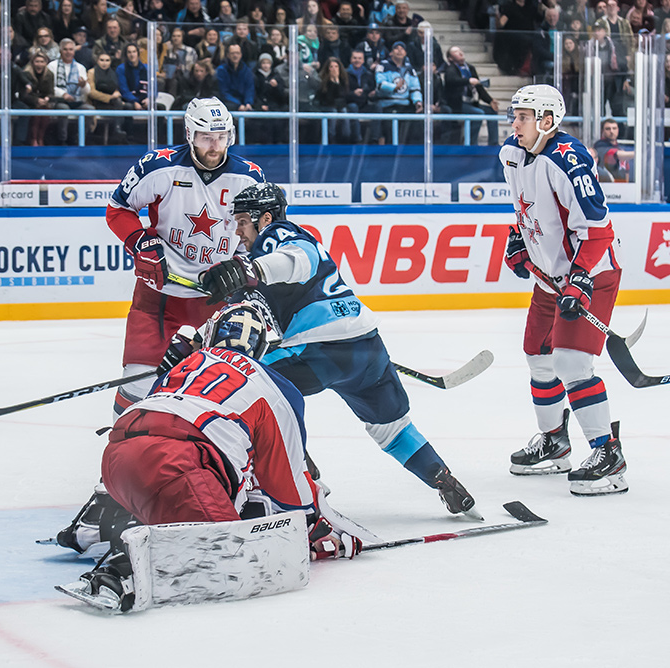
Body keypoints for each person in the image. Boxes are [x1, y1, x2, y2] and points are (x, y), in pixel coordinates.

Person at [199, 182, 480, 517]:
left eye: (243, 221)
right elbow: (240, 310)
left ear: (266, 218)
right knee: (391, 428)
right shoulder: (254, 264)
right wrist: (199, 334)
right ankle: (443, 480)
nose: (239, 231)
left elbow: (300, 259)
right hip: (367, 349)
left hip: (319, 352)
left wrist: (250, 270)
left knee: (244, 385)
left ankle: (297, 471)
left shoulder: (277, 235)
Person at [64, 303, 363, 611]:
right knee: (230, 559)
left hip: (117, 461)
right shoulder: (277, 387)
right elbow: (286, 487)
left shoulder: (187, 363)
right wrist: (313, 530)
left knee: (187, 495)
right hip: (176, 466)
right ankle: (121, 573)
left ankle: (105, 519)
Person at [500, 84, 626, 496]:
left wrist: (580, 280)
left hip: (591, 272)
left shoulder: (568, 161)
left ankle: (609, 455)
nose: (513, 123)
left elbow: (597, 231)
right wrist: (517, 238)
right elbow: (524, 208)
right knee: (538, 356)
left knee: (572, 365)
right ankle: (555, 442)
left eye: (522, 116)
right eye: (514, 115)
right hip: (550, 278)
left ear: (547, 121)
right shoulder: (512, 154)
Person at [105, 97, 266, 415]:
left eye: (222, 137)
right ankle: (122, 451)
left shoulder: (249, 178)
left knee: (224, 389)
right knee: (136, 386)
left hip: (219, 299)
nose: (215, 146)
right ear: (190, 134)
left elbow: (262, 234)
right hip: (158, 297)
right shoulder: (158, 167)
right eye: (206, 137)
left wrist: (242, 265)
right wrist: (140, 243)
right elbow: (118, 210)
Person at [444, 45, 499, 146]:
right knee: (478, 114)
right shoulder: (450, 69)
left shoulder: (470, 68)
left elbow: (479, 87)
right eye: (456, 52)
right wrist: (468, 81)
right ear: (450, 58)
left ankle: (493, 143)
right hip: (459, 103)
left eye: (460, 50)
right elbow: (452, 80)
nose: (460, 53)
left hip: (472, 101)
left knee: (491, 111)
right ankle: (471, 143)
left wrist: (490, 101)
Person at [49, 37, 92, 145]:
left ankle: (79, 139)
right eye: (65, 49)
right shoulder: (52, 66)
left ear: (74, 51)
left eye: (71, 49)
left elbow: (87, 91)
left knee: (89, 110)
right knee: (64, 109)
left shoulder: (80, 67)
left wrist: (84, 85)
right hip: (59, 100)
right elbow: (49, 87)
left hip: (76, 101)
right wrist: (63, 94)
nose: (68, 52)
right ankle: (62, 140)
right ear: (60, 51)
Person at [593, 117, 634, 181]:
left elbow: (626, 170)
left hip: (621, 186)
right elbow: (614, 154)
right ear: (602, 131)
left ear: (618, 130)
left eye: (614, 128)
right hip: (606, 185)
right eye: (608, 129)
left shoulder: (619, 147)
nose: (611, 131)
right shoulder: (600, 145)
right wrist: (636, 153)